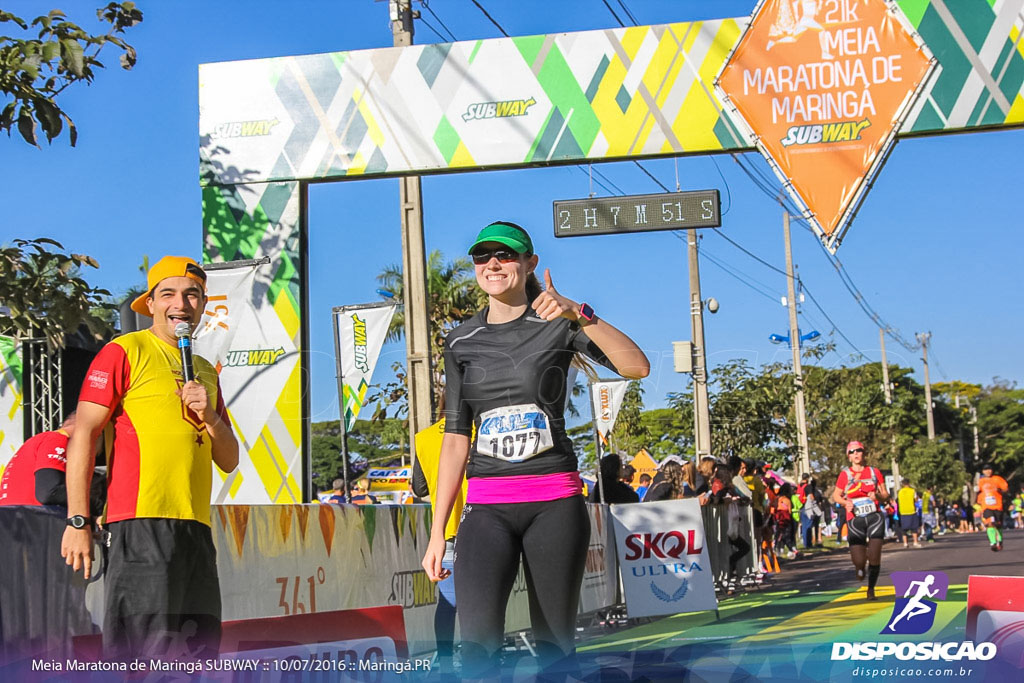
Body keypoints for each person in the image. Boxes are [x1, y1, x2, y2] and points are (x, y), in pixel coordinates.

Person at [420, 221, 649, 678]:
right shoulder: (461, 340)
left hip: (555, 505)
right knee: (479, 648)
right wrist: (436, 534)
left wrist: (578, 312)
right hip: (487, 509)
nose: (492, 264)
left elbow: (635, 366)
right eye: (482, 257)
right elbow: (455, 437)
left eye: (504, 255)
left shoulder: (559, 325)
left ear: (529, 264)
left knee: (553, 647)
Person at [60, 255, 239, 660]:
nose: (182, 303)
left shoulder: (207, 370)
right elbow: (84, 432)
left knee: (198, 653)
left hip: (195, 525)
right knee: (140, 654)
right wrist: (78, 519)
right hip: (140, 521)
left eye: (192, 294)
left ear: (204, 304)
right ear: (152, 303)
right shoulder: (125, 350)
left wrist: (208, 414)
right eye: (169, 294)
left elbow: (228, 460)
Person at [0, 412, 104, 515]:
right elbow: (49, 491)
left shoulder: (38, 441)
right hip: (32, 521)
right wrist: (99, 505)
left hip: (16, 521)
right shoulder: (57, 439)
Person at [832, 440, 889, 600]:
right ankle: (860, 568)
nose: (855, 454)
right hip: (854, 519)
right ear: (848, 456)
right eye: (852, 452)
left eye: (858, 450)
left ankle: (871, 589)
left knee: (875, 555)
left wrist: (877, 496)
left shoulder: (874, 472)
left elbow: (886, 496)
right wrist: (845, 502)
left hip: (874, 517)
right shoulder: (845, 475)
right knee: (858, 560)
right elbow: (836, 495)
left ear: (864, 453)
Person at [977, 463, 1009, 551]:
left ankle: (1000, 540)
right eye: (986, 469)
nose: (988, 471)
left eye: (989, 469)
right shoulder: (981, 481)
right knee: (989, 523)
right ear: (983, 471)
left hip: (997, 506)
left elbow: (1005, 488)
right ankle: (993, 542)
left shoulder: (997, 479)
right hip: (986, 506)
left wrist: (1002, 490)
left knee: (998, 525)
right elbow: (978, 490)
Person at [897, 479, 921, 548]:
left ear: (902, 484)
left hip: (903, 511)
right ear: (908, 483)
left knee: (904, 529)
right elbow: (916, 500)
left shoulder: (900, 492)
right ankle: (915, 542)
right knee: (914, 528)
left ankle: (905, 543)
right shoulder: (912, 491)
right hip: (911, 510)